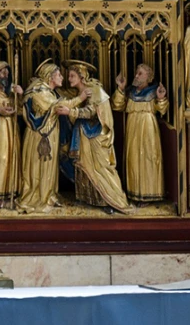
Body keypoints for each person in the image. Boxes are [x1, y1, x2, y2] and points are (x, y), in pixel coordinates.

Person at [55, 60, 133, 214]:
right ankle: (93, 199)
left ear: (81, 76)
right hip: (85, 136)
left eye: (71, 76)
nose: (69, 79)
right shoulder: (80, 92)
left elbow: (92, 112)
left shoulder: (95, 90)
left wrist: (70, 112)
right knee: (86, 169)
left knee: (100, 169)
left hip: (96, 137)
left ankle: (115, 200)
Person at [18, 60, 90, 213]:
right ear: (50, 77)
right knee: (39, 167)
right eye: (59, 75)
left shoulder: (48, 91)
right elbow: (58, 107)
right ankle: (36, 198)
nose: (62, 78)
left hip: (50, 134)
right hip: (39, 137)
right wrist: (81, 98)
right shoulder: (39, 92)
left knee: (50, 167)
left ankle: (49, 195)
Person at [112, 63, 169, 204]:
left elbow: (161, 110)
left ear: (149, 77)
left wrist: (161, 98)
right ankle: (134, 193)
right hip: (132, 127)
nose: (136, 75)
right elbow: (117, 105)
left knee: (149, 158)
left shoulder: (154, 90)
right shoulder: (130, 91)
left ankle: (149, 193)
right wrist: (120, 88)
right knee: (133, 159)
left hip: (148, 127)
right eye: (136, 72)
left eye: (140, 73)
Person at [0, 62, 23, 208]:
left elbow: (19, 111)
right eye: (2, 73)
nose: (5, 75)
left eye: (7, 72)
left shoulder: (7, 93)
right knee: (2, 159)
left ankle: (9, 194)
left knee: (12, 159)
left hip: (11, 130)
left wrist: (19, 95)